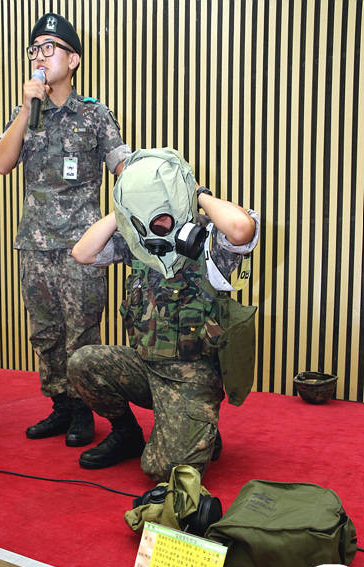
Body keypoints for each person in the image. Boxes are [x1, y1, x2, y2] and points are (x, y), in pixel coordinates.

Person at [68, 148, 260, 481]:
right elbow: (82, 253)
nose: (155, 221)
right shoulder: (139, 240)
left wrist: (197, 194)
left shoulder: (209, 240)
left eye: (160, 209)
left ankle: (199, 426)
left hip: (193, 374)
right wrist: (124, 209)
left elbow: (242, 228)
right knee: (82, 363)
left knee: (161, 471)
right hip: (146, 365)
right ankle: (127, 433)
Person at [0, 13, 131, 447]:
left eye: (49, 48)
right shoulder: (25, 115)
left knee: (81, 334)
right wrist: (25, 109)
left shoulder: (94, 114)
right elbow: (1, 164)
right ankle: (61, 407)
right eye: (34, 49)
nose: (39, 56)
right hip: (34, 246)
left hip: (81, 249)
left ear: (73, 60)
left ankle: (85, 411)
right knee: (46, 333)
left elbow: (123, 168)